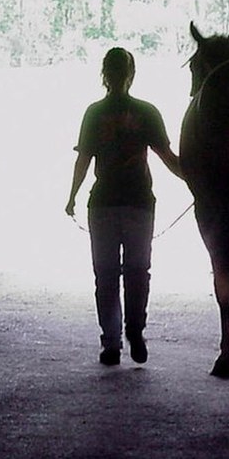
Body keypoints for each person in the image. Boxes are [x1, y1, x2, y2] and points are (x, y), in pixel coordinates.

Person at [65, 47, 184, 366]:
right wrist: (199, 180)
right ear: (132, 75)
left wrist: (72, 197)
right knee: (137, 272)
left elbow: (83, 160)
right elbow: (169, 159)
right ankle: (136, 332)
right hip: (139, 202)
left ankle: (111, 343)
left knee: (105, 274)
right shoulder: (146, 112)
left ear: (104, 74)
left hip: (102, 202)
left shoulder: (93, 113)